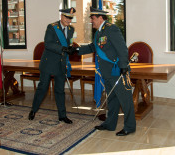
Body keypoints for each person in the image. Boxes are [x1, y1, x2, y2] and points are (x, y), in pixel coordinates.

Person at [76, 7, 136, 136]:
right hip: (107, 72)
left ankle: (130, 127)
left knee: (125, 100)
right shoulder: (99, 32)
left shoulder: (111, 28)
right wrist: (76, 51)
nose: (91, 21)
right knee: (112, 99)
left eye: (92, 18)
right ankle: (110, 124)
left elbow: (122, 48)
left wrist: (124, 66)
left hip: (117, 71)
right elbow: (93, 47)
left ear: (100, 17)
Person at [28, 7, 76, 124]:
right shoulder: (52, 27)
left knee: (60, 90)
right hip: (49, 63)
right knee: (42, 88)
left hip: (61, 63)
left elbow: (69, 42)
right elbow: (48, 44)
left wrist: (71, 48)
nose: (69, 21)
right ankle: (33, 110)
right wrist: (63, 48)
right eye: (67, 18)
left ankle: (62, 115)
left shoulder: (71, 29)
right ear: (61, 17)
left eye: (71, 19)